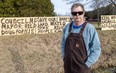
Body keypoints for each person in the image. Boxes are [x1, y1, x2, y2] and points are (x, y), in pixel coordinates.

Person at [61, 3, 101, 73]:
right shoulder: (67, 27)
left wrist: (87, 63)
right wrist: (64, 56)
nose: (77, 15)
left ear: (83, 13)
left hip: (82, 69)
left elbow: (96, 49)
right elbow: (63, 43)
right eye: (74, 13)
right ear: (71, 14)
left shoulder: (90, 29)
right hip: (68, 67)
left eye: (80, 12)